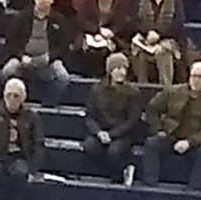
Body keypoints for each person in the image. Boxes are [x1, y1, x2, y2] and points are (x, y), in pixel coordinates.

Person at [0, 0, 73, 107]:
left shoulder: (59, 20)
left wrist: (50, 57)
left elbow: (63, 45)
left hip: (48, 61)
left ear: (52, 1)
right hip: (24, 59)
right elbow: (11, 42)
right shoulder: (22, 17)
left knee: (63, 76)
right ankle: (11, 102)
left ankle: (49, 104)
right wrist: (21, 56)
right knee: (8, 70)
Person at [142, 61, 201, 189]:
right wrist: (158, 130)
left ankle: (194, 191)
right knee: (151, 144)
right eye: (194, 76)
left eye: (200, 77)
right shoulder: (173, 91)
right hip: (170, 135)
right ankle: (150, 186)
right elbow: (152, 109)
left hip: (195, 141)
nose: (196, 80)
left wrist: (190, 142)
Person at [83, 53, 140, 184]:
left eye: (124, 68)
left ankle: (119, 176)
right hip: (100, 130)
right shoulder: (96, 89)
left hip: (122, 133)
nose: (121, 72)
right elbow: (89, 116)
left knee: (114, 152)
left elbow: (132, 120)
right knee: (90, 146)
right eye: (117, 68)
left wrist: (111, 134)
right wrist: (99, 133)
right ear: (110, 70)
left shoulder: (133, 92)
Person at [131, 0, 182, 87]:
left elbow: (178, 24)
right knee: (140, 54)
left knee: (163, 53)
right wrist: (148, 32)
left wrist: (159, 33)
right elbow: (134, 21)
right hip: (146, 39)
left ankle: (165, 90)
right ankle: (142, 88)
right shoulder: (140, 2)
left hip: (167, 40)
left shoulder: (176, 2)